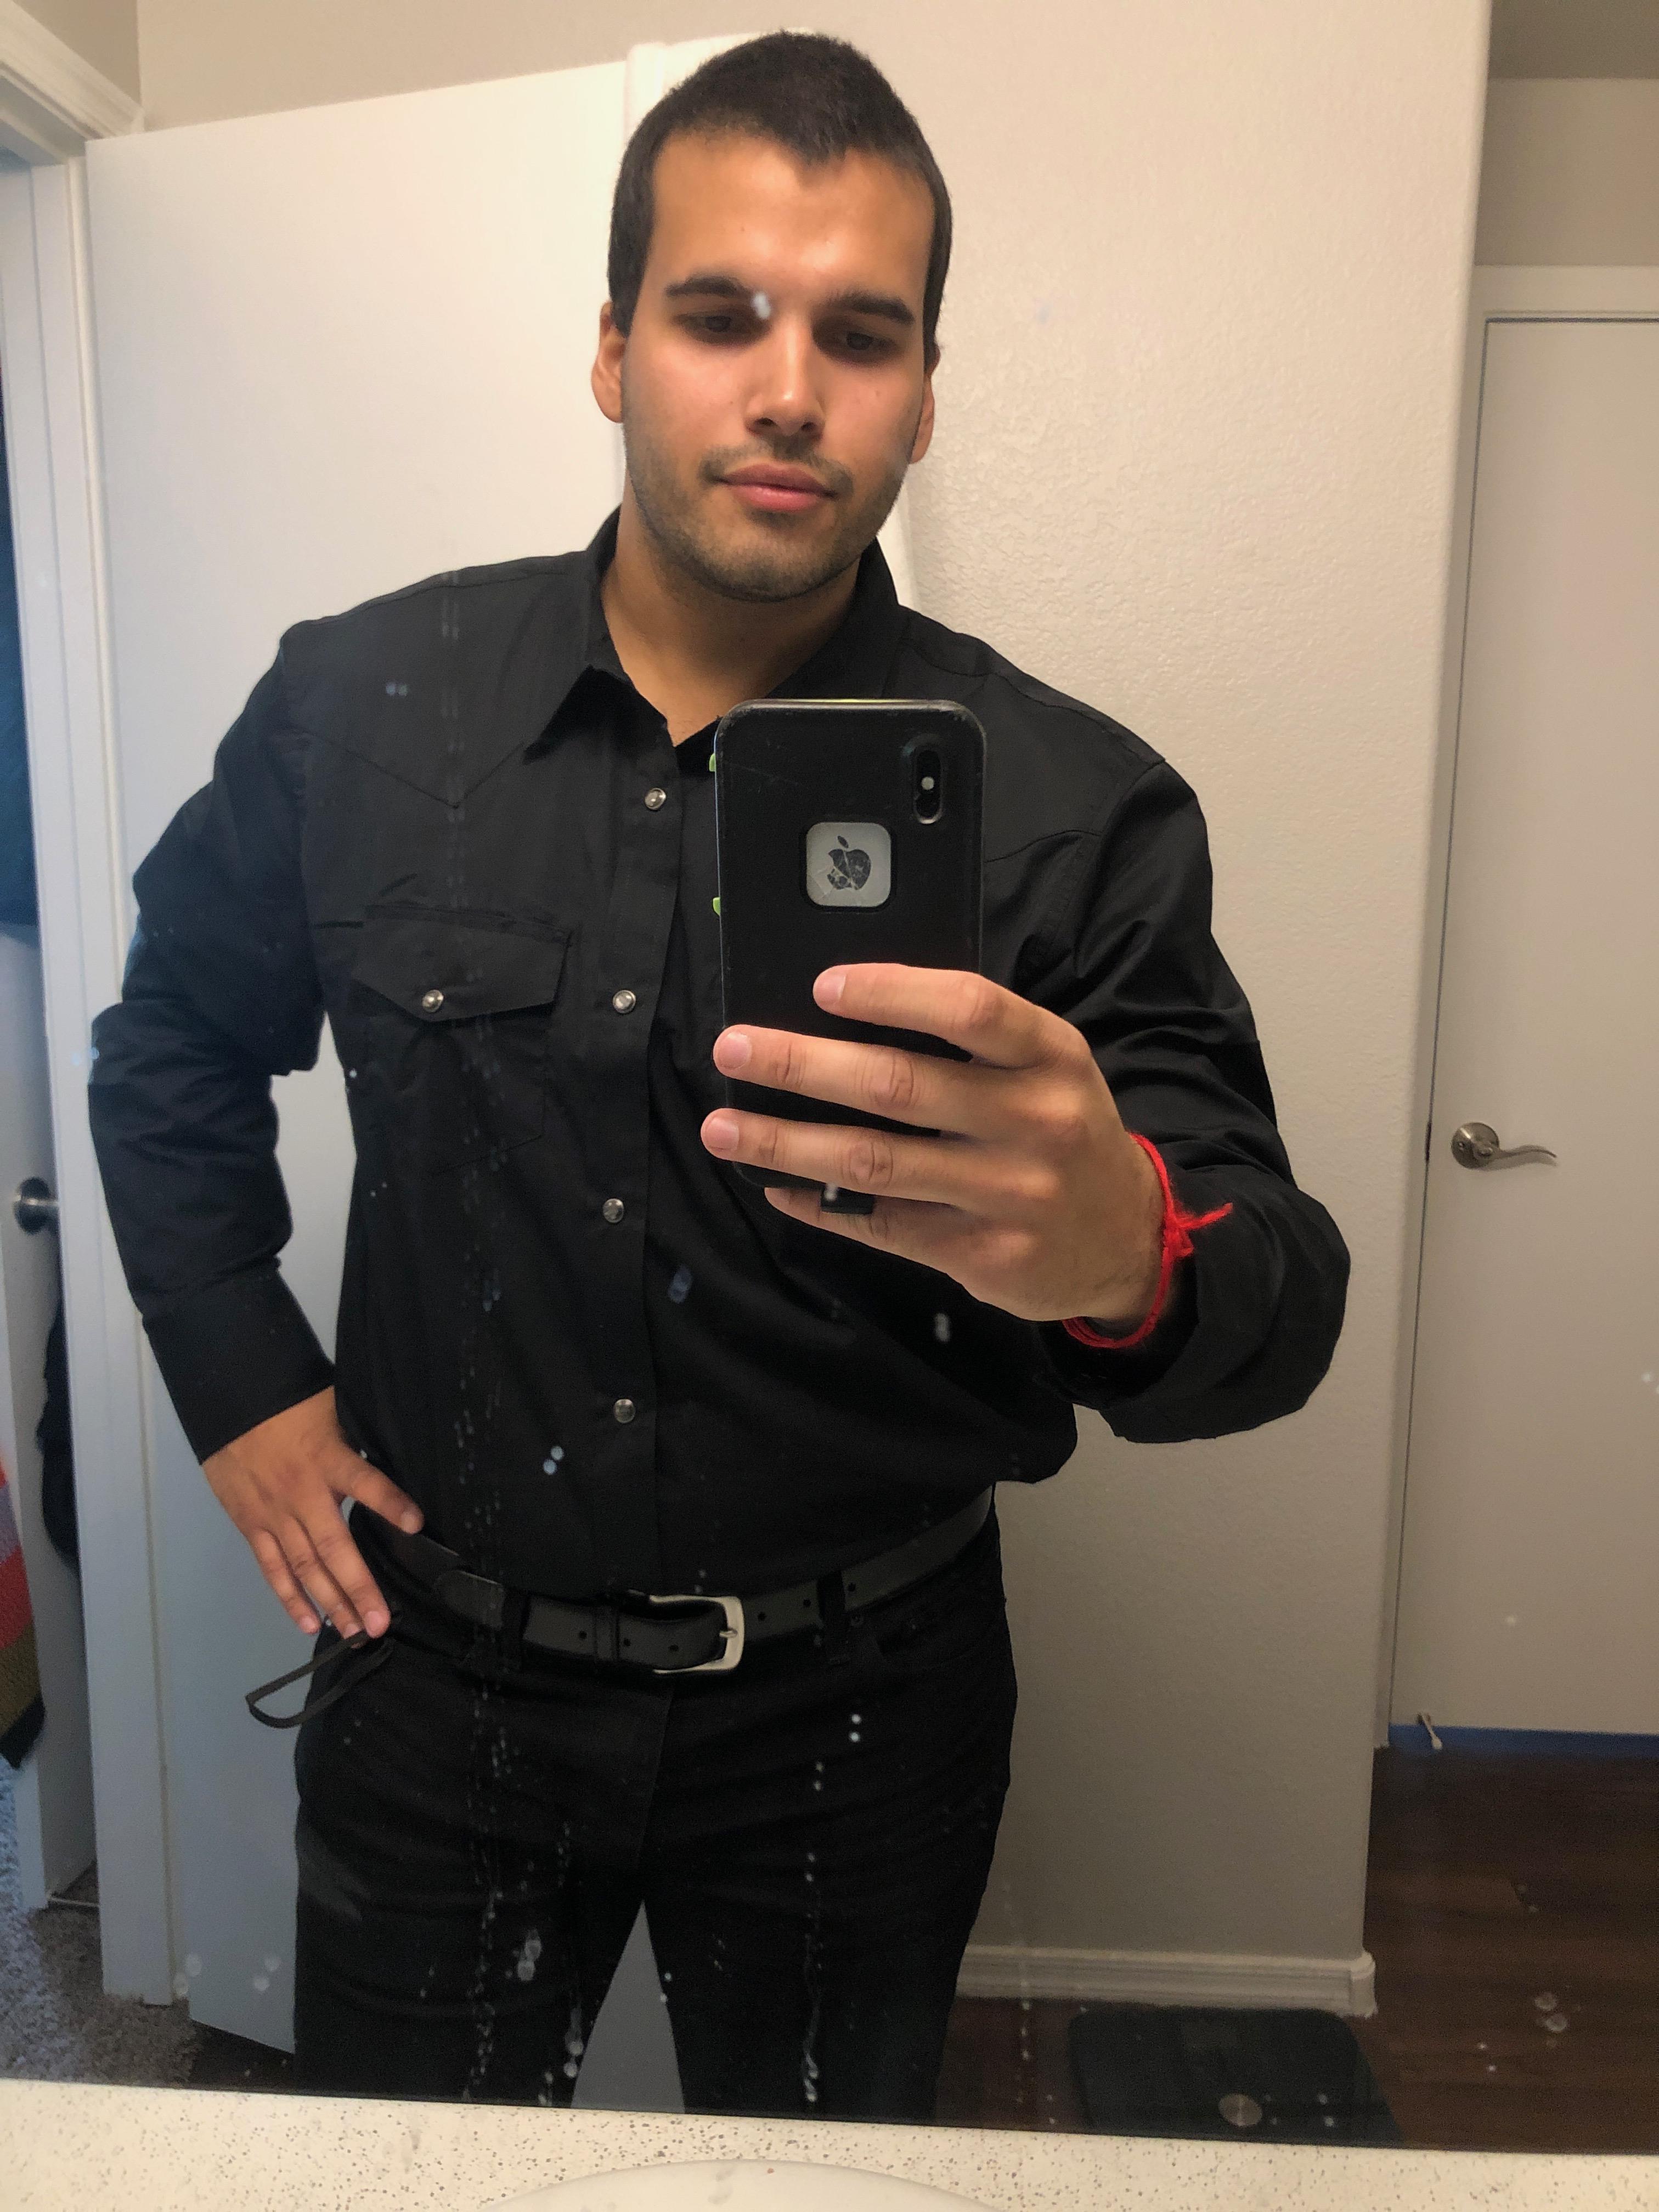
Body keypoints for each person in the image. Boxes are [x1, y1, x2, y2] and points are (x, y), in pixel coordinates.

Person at [87, 31, 1348, 2121]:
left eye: (861, 334)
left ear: (924, 394)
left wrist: (1133, 1251)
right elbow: (171, 1049)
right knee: (409, 2184)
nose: (788, 388)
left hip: (867, 1710)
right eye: (719, 314)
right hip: (436, 1683)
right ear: (613, 350)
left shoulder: (1075, 807)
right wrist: (243, 1386)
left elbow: (1277, 1303)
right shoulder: (363, 706)